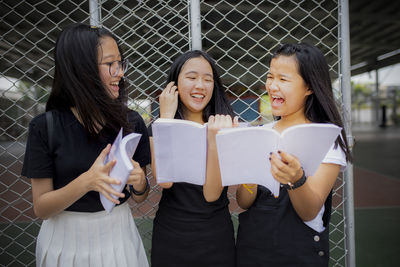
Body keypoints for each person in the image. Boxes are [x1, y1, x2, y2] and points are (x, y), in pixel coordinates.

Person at [21, 23, 150, 267]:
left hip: (119, 234)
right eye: (110, 64)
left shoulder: (131, 121)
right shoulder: (44, 127)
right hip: (65, 241)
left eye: (121, 63)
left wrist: (141, 183)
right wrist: (87, 182)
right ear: (82, 69)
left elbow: (140, 197)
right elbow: (41, 207)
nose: (120, 72)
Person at [235, 43, 352, 266]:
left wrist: (296, 178)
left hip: (299, 254)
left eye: (283, 79)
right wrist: (250, 172)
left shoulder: (326, 138)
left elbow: (309, 211)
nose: (272, 86)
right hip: (252, 251)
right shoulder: (260, 133)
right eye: (270, 77)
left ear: (309, 86)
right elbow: (244, 201)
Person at [149, 50, 237, 267]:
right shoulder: (158, 127)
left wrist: (215, 141)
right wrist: (166, 119)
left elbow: (211, 194)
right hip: (171, 234)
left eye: (208, 79)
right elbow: (165, 180)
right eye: (191, 77)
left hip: (215, 235)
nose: (200, 85)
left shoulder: (224, 125)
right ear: (174, 84)